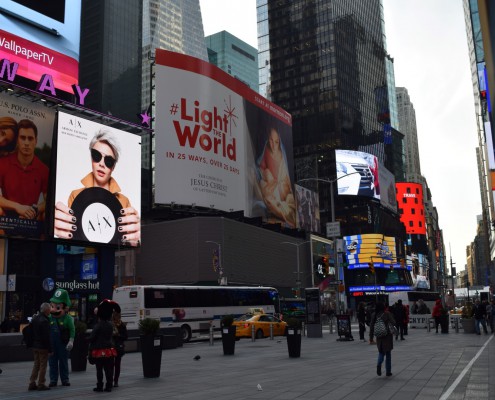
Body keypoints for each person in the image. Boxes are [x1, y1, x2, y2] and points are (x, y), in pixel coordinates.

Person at [54, 130, 140, 245]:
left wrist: (136, 239)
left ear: (113, 167)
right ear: (91, 158)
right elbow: (73, 237)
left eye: (108, 161)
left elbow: (127, 242)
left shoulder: (124, 201)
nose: (102, 164)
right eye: (96, 156)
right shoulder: (75, 195)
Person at [0, 119, 48, 220]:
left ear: (36, 141)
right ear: (17, 140)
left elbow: (48, 200)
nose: (26, 143)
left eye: (30, 138)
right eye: (23, 138)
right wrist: (18, 207)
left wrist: (35, 210)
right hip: (7, 217)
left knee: (47, 214)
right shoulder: (3, 163)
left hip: (31, 217)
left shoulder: (43, 169)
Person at [255, 126, 296, 227]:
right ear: (268, 140)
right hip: (269, 186)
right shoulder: (267, 150)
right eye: (271, 141)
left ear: (280, 141)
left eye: (276, 142)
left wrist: (278, 186)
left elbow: (287, 183)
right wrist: (266, 175)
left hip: (281, 191)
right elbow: (260, 167)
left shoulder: (283, 157)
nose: (273, 145)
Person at [89, 299, 120, 392]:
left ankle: (99, 386)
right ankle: (109, 386)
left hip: (99, 350)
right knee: (109, 369)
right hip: (109, 350)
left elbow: (92, 337)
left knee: (99, 370)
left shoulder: (98, 325)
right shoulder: (110, 325)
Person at [48, 288, 75, 387]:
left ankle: (65, 379)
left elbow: (72, 330)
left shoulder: (68, 319)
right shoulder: (49, 317)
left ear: (65, 308)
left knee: (63, 362)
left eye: (58, 307)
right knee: (52, 362)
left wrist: (71, 341)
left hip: (63, 344)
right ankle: (53, 380)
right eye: (52, 306)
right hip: (52, 344)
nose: (54, 310)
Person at [28, 303, 52, 391]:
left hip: (35, 345)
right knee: (43, 365)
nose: (50, 310)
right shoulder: (45, 321)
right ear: (46, 310)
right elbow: (46, 337)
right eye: (49, 309)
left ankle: (32, 382)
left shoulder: (35, 318)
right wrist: (50, 349)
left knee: (36, 364)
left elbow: (30, 331)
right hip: (42, 346)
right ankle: (41, 383)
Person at [369, 301, 395, 377]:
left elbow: (371, 327)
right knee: (388, 354)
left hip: (379, 337)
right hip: (387, 336)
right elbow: (393, 322)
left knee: (381, 352)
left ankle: (379, 365)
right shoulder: (387, 314)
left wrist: (371, 337)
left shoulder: (374, 315)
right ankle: (388, 371)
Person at [111, 310, 128, 388]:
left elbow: (125, 337)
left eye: (118, 316)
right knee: (110, 365)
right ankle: (110, 380)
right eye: (115, 316)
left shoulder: (122, 325)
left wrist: (118, 335)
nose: (117, 318)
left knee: (117, 364)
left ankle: (116, 381)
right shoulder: (111, 324)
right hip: (111, 346)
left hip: (118, 347)